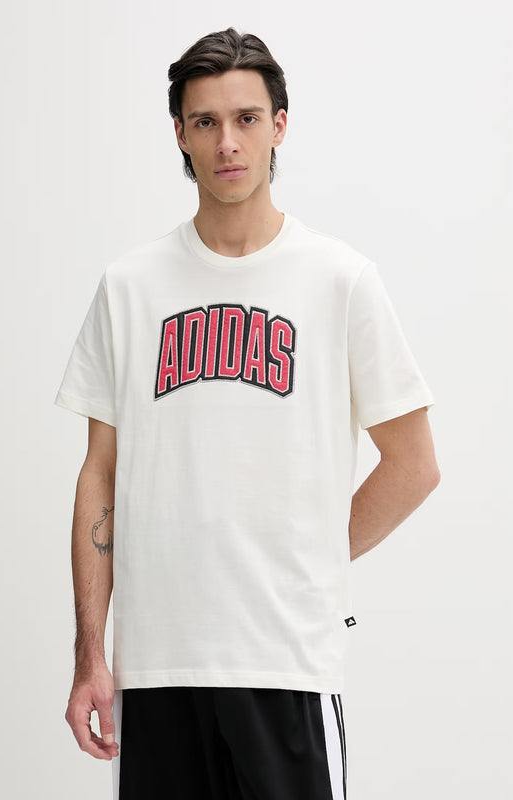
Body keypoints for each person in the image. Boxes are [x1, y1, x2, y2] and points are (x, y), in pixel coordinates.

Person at [55, 26, 440, 800]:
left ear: (278, 126)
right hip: (158, 664)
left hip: (284, 661)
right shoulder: (130, 287)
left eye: (246, 118)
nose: (227, 142)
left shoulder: (339, 280)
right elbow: (100, 473)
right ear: (180, 134)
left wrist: (311, 561)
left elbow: (413, 465)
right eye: (205, 121)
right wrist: (90, 651)